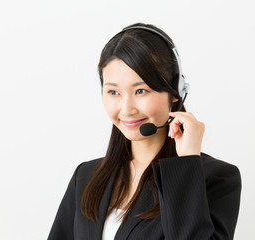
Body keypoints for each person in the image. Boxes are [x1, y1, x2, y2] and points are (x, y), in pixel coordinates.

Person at [48, 23, 241, 240]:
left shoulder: (215, 178)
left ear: (175, 91)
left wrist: (186, 164)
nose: (127, 109)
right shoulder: (86, 176)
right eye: (113, 91)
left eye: (141, 90)